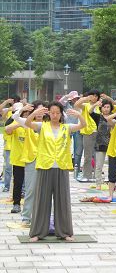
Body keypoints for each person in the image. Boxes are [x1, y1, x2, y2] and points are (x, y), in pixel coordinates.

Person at [24, 101, 86, 242]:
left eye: (57, 112)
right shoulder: (42, 126)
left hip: (61, 167)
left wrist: (79, 115)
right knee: (41, 201)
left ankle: (65, 232)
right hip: (45, 166)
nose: (55, 115)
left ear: (61, 114)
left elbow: (83, 125)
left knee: (62, 201)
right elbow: (28, 123)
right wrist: (34, 113)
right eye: (52, 112)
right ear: (48, 113)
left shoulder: (66, 127)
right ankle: (37, 233)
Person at [12, 101, 47, 226]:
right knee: (30, 190)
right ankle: (26, 217)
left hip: (46, 161)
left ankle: (44, 218)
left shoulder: (48, 125)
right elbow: (14, 118)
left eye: (42, 111)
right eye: (37, 111)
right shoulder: (28, 124)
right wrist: (22, 110)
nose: (39, 113)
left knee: (46, 190)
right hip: (32, 160)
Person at [4, 102, 28, 214]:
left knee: (31, 184)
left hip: (31, 160)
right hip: (18, 159)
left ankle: (31, 206)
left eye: (29, 114)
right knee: (18, 183)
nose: (27, 116)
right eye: (25, 114)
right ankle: (16, 204)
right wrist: (20, 123)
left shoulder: (35, 125)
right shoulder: (16, 122)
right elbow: (7, 130)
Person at [74, 90, 102, 182]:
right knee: (88, 155)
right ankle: (87, 175)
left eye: (96, 96)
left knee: (97, 154)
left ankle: (96, 174)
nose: (94, 97)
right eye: (92, 96)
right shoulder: (86, 105)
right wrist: (86, 98)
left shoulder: (100, 106)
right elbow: (76, 105)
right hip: (88, 132)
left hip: (98, 132)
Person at [59, 91, 84, 179]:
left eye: (76, 98)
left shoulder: (80, 105)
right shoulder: (66, 105)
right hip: (67, 128)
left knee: (78, 148)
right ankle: (65, 163)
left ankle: (76, 166)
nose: (74, 99)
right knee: (65, 146)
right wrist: (66, 96)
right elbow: (59, 103)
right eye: (73, 98)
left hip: (77, 128)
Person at [92, 99, 113, 190]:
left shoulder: (114, 117)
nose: (106, 109)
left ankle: (110, 182)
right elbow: (90, 112)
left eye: (108, 107)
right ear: (101, 108)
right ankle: (98, 183)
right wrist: (95, 105)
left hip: (112, 143)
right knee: (99, 165)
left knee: (112, 165)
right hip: (100, 143)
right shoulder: (98, 117)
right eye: (104, 107)